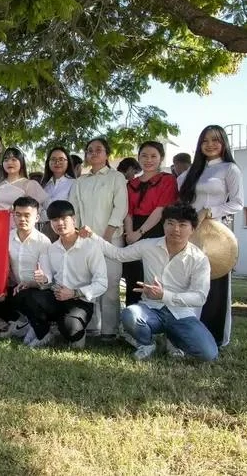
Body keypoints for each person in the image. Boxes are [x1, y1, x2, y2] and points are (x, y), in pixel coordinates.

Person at [80, 202, 218, 361]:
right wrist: (92, 235)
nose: (176, 229)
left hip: (181, 313)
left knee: (208, 354)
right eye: (170, 223)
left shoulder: (199, 259)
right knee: (130, 314)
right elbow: (118, 254)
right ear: (164, 225)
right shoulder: (149, 246)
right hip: (151, 309)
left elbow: (200, 297)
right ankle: (146, 344)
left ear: (193, 229)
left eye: (182, 225)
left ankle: (173, 339)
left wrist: (165, 295)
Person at [177, 125, 244, 347]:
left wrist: (210, 211)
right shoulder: (190, 173)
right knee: (189, 283)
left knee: (215, 285)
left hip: (216, 236)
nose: (210, 145)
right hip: (191, 233)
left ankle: (215, 337)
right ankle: (188, 334)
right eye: (205, 141)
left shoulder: (229, 169)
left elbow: (238, 203)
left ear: (223, 143)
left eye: (215, 140)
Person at [21, 200, 107, 348]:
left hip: (80, 301)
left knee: (70, 327)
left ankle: (73, 331)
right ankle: (44, 333)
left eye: (64, 218)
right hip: (56, 296)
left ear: (73, 220)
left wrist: (75, 292)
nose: (59, 223)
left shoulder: (91, 247)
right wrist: (43, 278)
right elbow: (48, 277)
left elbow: (102, 283)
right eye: (54, 220)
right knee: (26, 295)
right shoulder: (52, 248)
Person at [69, 138, 127, 340]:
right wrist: (76, 232)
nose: (93, 153)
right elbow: (73, 210)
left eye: (98, 150)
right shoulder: (80, 181)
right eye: (90, 150)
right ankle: (92, 326)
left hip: (111, 239)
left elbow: (120, 207)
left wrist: (107, 236)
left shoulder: (116, 177)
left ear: (107, 154)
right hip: (84, 241)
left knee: (111, 285)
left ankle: (110, 331)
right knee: (89, 282)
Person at [0, 196, 52, 338]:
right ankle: (19, 322)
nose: (22, 219)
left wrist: (33, 282)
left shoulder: (44, 242)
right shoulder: (6, 237)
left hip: (38, 290)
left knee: (25, 295)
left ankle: (44, 332)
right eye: (18, 215)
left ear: (37, 218)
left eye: (27, 215)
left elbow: (48, 279)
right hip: (16, 288)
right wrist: (0, 288)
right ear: (13, 215)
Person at [123, 141, 178, 306]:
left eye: (154, 156)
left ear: (161, 158)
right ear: (138, 157)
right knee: (133, 275)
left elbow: (160, 209)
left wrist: (139, 233)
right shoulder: (131, 184)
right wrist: (130, 234)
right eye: (144, 156)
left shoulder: (168, 180)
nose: (148, 160)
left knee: (155, 275)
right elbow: (128, 212)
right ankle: (131, 318)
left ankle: (156, 317)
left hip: (156, 228)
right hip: (132, 230)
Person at [0, 147, 48, 225]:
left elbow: (38, 209)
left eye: (14, 159)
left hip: (20, 228)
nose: (9, 163)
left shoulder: (29, 184)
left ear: (21, 162)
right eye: (6, 160)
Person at [40, 147, 76, 241]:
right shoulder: (44, 185)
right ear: (48, 162)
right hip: (47, 230)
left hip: (66, 230)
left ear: (68, 162)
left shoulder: (74, 183)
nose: (57, 162)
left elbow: (74, 209)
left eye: (61, 159)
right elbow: (39, 208)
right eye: (53, 159)